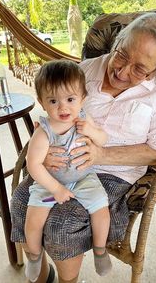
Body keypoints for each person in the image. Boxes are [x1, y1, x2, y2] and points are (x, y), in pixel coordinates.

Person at [10, 12, 156, 283]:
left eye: (139, 69)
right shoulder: (86, 70)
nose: (122, 72)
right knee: (20, 201)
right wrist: (43, 150)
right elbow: (56, 110)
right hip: (61, 164)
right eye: (122, 55)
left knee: (61, 223)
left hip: (115, 171)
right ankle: (42, 277)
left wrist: (102, 154)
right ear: (117, 42)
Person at [24, 60, 111, 282]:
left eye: (70, 99)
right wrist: (56, 188)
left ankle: (100, 250)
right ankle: (34, 256)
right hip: (50, 181)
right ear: (42, 102)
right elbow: (33, 164)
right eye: (53, 100)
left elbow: (102, 140)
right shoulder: (44, 132)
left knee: (101, 208)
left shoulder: (83, 118)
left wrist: (91, 130)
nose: (63, 108)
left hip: (83, 177)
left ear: (82, 98)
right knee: (33, 220)